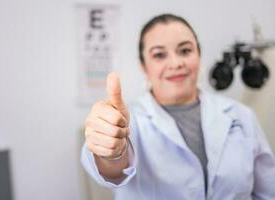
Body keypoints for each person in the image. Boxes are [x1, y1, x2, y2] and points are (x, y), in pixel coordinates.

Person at [80, 13, 275, 200]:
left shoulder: (241, 115)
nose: (175, 63)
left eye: (185, 50)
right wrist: (112, 152)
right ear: (144, 66)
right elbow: (112, 171)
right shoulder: (129, 120)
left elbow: (268, 192)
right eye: (159, 55)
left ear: (199, 55)